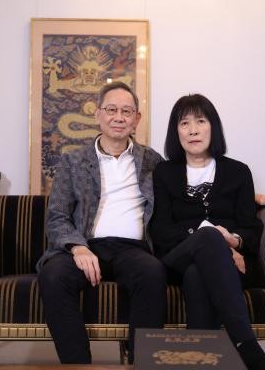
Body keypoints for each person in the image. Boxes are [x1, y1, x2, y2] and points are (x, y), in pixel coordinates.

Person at [37, 81, 167, 364]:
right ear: (98, 114)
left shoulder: (152, 161)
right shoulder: (73, 161)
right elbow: (57, 216)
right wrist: (77, 247)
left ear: (136, 119)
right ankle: (78, 366)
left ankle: (140, 363)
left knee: (153, 272)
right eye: (111, 110)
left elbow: (184, 189)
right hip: (85, 246)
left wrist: (250, 197)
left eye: (126, 111)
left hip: (132, 250)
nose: (119, 117)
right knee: (54, 275)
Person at [149, 93, 265, 370]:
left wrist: (234, 241)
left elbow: (251, 229)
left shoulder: (238, 172)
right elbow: (161, 230)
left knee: (198, 275)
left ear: (213, 127)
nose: (193, 130)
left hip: (229, 265)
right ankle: (247, 345)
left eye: (201, 121)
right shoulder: (164, 173)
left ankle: (199, 363)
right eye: (184, 123)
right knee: (207, 237)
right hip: (177, 259)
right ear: (176, 132)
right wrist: (216, 239)